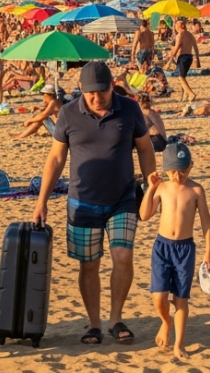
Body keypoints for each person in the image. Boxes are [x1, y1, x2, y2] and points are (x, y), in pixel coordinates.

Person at [33, 61, 156, 345]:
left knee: (123, 257)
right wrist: (42, 202)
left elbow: (146, 149)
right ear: (81, 90)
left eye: (102, 92)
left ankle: (116, 319)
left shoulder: (129, 108)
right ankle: (94, 324)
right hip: (82, 201)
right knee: (89, 266)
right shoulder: (67, 113)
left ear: (112, 86)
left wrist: (151, 187)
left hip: (122, 198)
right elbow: (55, 159)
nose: (97, 99)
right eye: (90, 94)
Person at [140, 143, 210, 360]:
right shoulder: (162, 188)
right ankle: (166, 321)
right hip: (162, 247)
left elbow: (207, 223)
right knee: (158, 297)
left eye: (183, 170)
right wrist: (151, 187)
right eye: (173, 171)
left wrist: (209, 252)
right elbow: (144, 215)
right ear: (165, 169)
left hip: (185, 249)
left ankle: (179, 345)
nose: (178, 176)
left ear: (191, 166)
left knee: (181, 299)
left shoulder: (196, 190)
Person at [166, 20, 199, 102]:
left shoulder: (180, 35)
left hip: (183, 57)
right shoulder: (190, 35)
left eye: (176, 25)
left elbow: (176, 49)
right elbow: (196, 48)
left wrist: (169, 61)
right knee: (183, 77)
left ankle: (191, 94)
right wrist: (197, 60)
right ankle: (185, 95)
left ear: (179, 26)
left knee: (180, 77)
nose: (175, 27)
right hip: (189, 57)